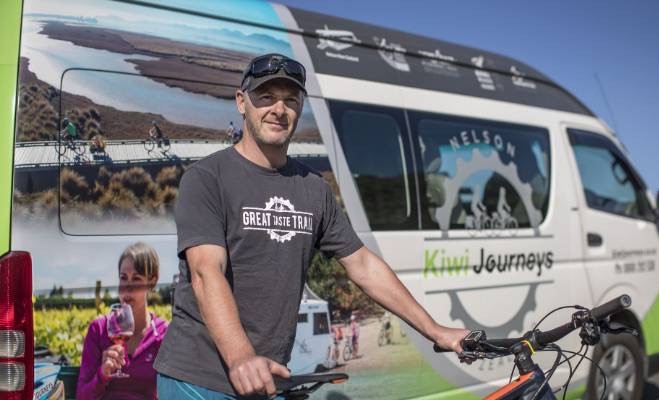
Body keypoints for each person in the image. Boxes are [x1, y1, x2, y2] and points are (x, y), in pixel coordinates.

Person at [154, 53, 469, 399]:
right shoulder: (207, 178)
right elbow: (205, 272)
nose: (279, 109)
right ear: (241, 102)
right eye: (266, 97)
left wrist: (435, 331)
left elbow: (362, 264)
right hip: (198, 379)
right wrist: (241, 356)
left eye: (290, 100)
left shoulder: (313, 188)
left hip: (266, 377)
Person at [77, 242, 168, 400]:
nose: (127, 288)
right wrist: (102, 374)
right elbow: (82, 396)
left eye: (136, 279)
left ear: (152, 282)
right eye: (123, 278)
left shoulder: (163, 333)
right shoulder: (98, 329)